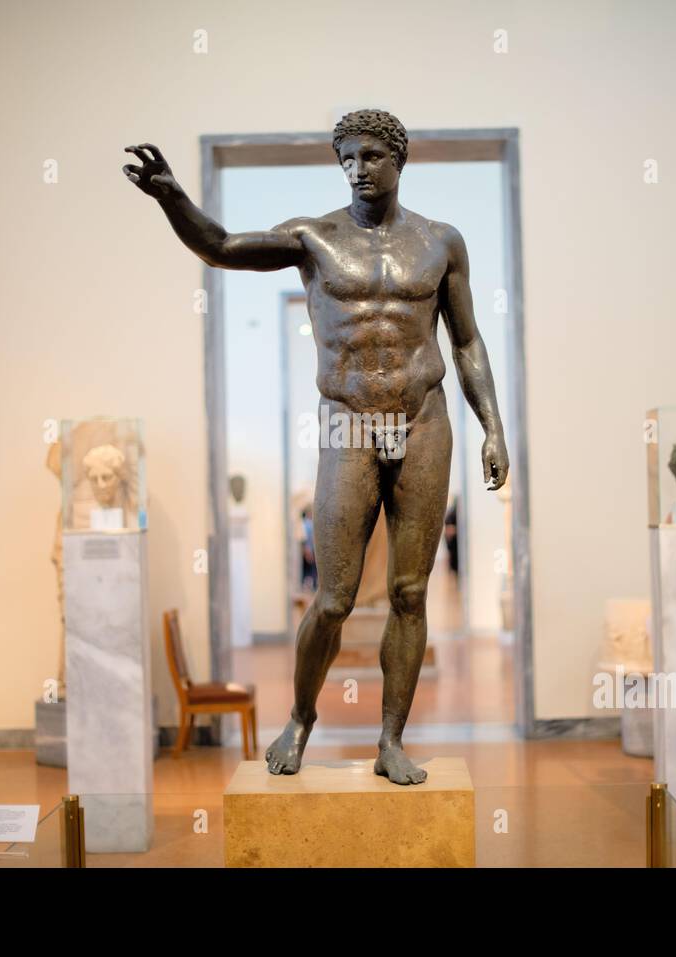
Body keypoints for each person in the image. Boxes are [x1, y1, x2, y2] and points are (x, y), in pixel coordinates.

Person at [124, 110, 508, 784]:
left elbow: (466, 341)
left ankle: (391, 739)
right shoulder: (314, 237)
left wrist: (494, 427)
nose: (358, 168)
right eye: (347, 158)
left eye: (370, 156)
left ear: (399, 159)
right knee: (333, 597)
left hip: (423, 420)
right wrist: (171, 197)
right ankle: (301, 716)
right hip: (348, 424)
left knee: (411, 593)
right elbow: (220, 245)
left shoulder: (441, 242)